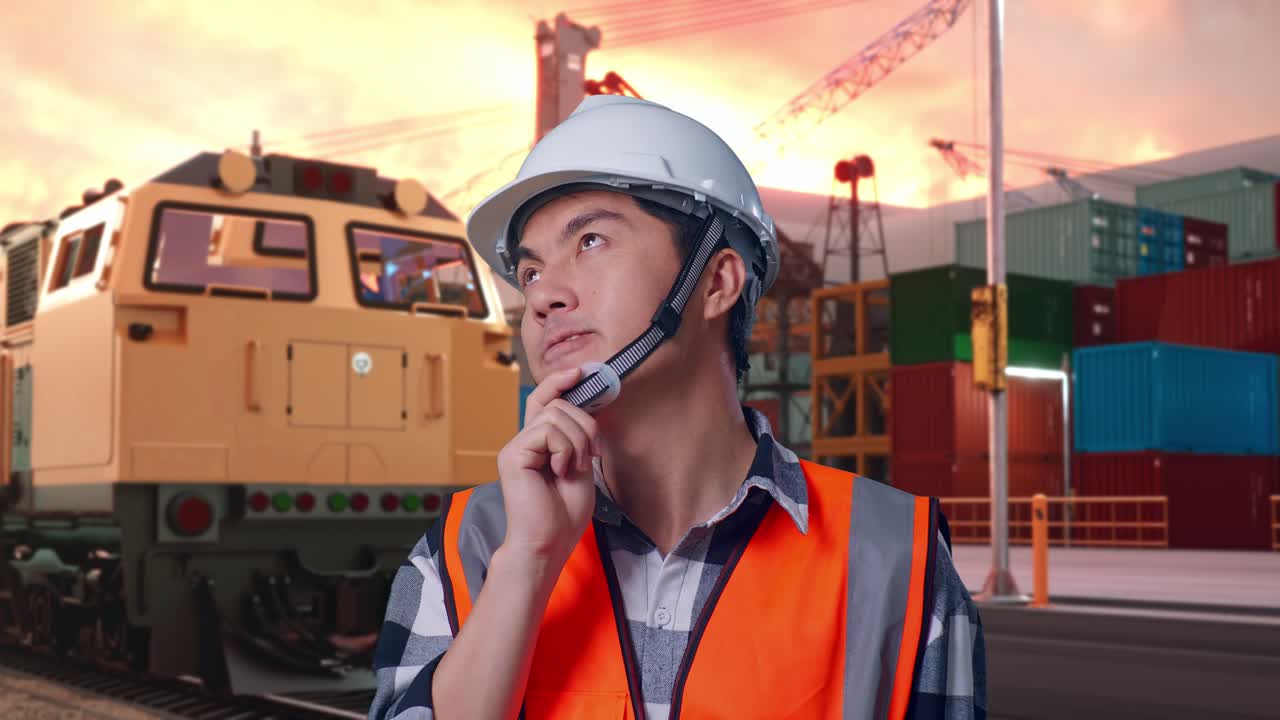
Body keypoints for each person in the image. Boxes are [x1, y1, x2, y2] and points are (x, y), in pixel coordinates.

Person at [369, 95, 986, 720]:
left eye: (589, 240)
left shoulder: (891, 558)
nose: (543, 296)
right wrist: (526, 564)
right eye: (528, 273)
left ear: (717, 283)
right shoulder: (466, 546)